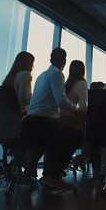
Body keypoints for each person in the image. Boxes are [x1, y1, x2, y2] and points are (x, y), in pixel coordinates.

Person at [24, 47, 83, 189]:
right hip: (42, 122)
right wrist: (75, 109)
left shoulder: (41, 76)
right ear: (64, 61)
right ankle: (53, 175)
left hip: (30, 121)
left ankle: (44, 174)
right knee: (76, 136)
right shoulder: (57, 74)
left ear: (51, 59)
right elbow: (61, 101)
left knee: (57, 136)